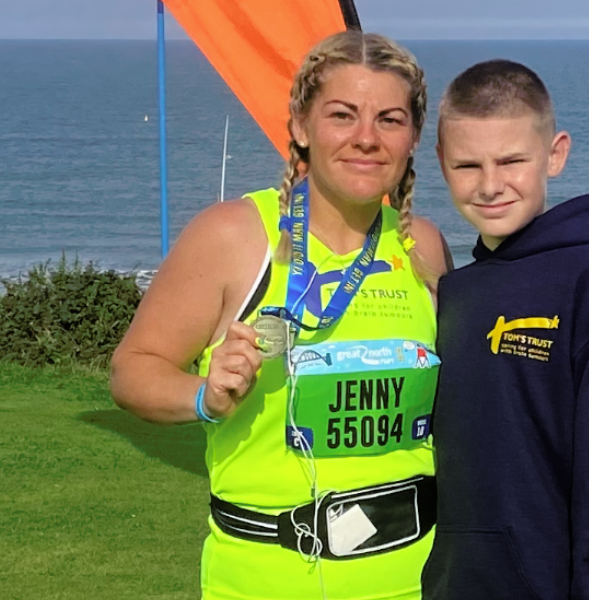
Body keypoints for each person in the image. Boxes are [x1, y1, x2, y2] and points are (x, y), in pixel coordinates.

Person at [111, 31, 451, 600]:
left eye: (390, 120)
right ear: (300, 125)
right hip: (264, 577)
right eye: (342, 115)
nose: (366, 138)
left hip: (412, 578)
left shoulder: (424, 247)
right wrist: (205, 396)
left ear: (413, 137)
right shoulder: (233, 235)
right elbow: (132, 371)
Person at [421, 60, 589, 600]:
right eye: (468, 166)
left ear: (554, 154)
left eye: (512, 160)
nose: (490, 186)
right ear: (441, 162)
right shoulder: (458, 292)